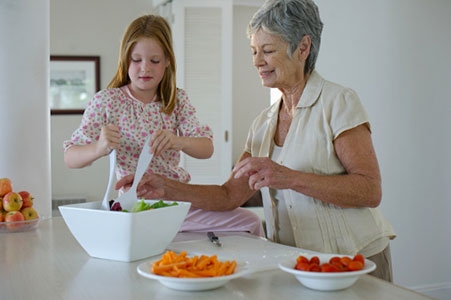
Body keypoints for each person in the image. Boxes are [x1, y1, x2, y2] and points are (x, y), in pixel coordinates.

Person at [116, 1, 396, 281]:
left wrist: (288, 178)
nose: (257, 61)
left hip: (354, 260)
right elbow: (228, 196)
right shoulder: (262, 124)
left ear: (303, 48)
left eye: (268, 51)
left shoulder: (338, 102)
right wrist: (166, 188)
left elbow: (370, 190)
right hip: (295, 263)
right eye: (253, 51)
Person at [63, 15, 265, 237]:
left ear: (168, 60)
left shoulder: (176, 100)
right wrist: (99, 148)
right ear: (124, 60)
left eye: (155, 61)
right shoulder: (107, 101)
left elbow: (206, 149)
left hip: (177, 201)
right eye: (136, 60)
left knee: (250, 222)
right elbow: (70, 157)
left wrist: (178, 141)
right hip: (137, 206)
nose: (145, 69)